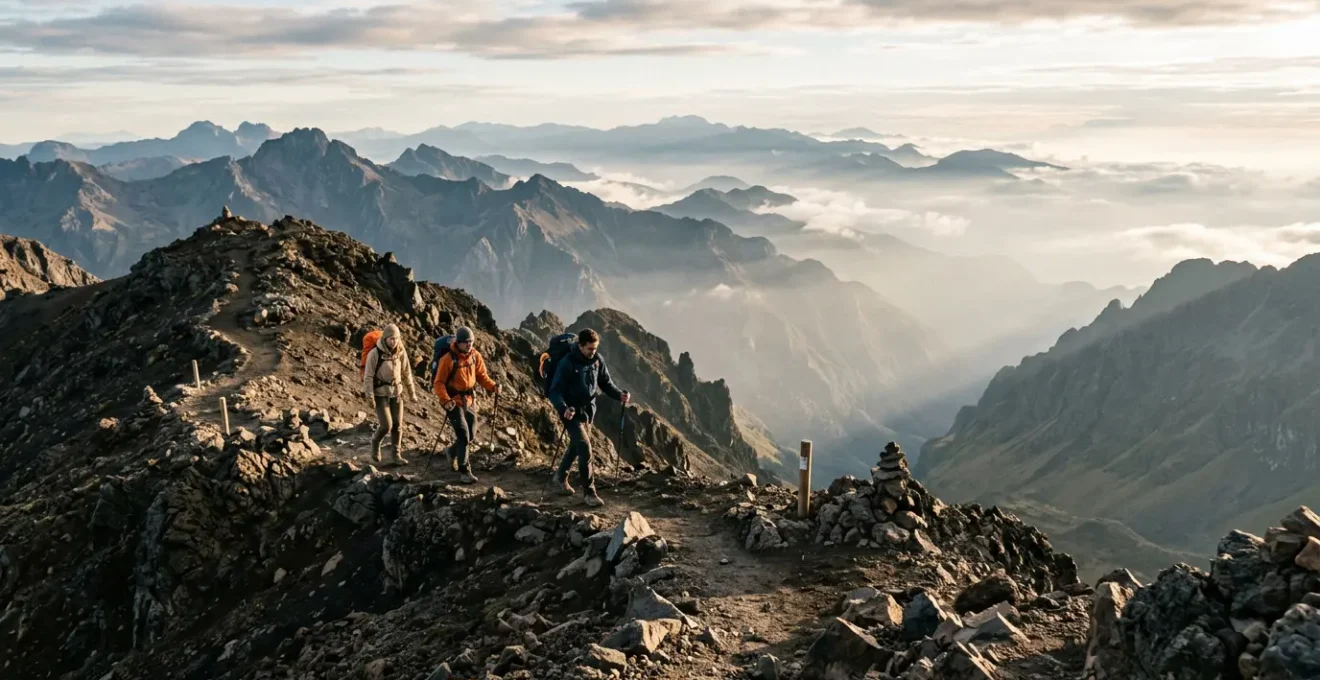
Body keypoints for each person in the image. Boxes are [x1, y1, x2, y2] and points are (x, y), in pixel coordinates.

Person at [548, 328, 630, 507]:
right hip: (571, 412)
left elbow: (605, 383)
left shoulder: (597, 361)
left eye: (595, 348)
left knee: (576, 446)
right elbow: (554, 391)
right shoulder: (567, 363)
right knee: (585, 447)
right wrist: (564, 409)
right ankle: (589, 492)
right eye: (590, 348)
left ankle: (560, 477)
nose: (593, 352)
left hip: (588, 412)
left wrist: (619, 395)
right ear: (580, 346)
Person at [433, 326, 500, 484]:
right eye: (465, 342)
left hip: (469, 400)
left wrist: (493, 387)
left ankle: (451, 451)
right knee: (463, 434)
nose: (469, 345)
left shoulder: (475, 356)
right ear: (458, 342)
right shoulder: (448, 359)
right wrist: (446, 400)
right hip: (453, 401)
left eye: (471, 342)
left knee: (471, 434)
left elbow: (482, 376)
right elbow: (439, 382)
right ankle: (465, 471)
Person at [362, 324, 418, 465]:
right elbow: (368, 376)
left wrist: (412, 393)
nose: (394, 342)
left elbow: (406, 372)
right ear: (385, 338)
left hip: (396, 393)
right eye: (391, 339)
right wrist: (370, 397)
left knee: (398, 425)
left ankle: (396, 455)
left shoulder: (401, 352)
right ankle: (375, 443)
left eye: (397, 339)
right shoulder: (374, 354)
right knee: (386, 425)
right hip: (380, 394)